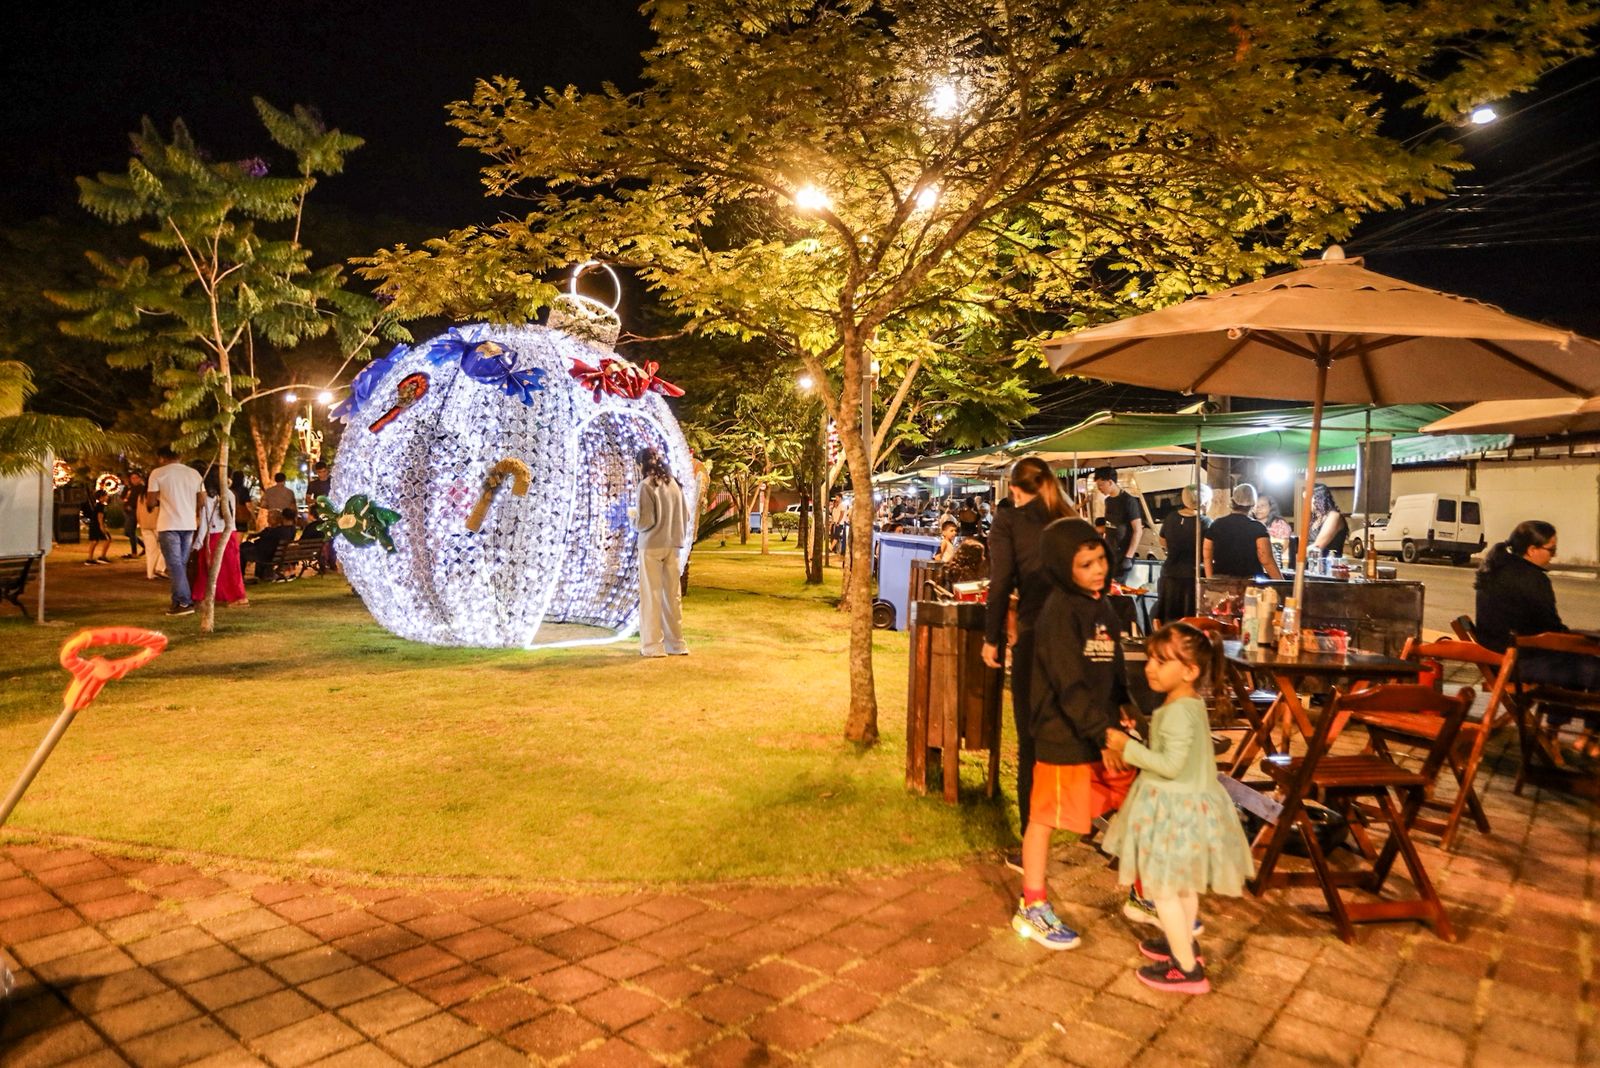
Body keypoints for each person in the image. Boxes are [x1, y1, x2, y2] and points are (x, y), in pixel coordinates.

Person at [1101, 622, 1255, 994]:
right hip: (1190, 805)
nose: (1150, 667)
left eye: (1162, 661)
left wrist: (1126, 747)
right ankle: (1183, 942)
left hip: (1175, 811)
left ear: (1190, 671)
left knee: (1164, 888)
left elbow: (1169, 764)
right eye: (1151, 659)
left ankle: (1186, 969)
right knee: (1183, 883)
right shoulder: (1185, 703)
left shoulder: (1178, 712)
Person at [1012, 517, 1137, 950]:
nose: (1098, 569)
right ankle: (1032, 906)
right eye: (1085, 564)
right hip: (1064, 732)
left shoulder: (1101, 605)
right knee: (1045, 819)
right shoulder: (1058, 613)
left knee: (1134, 803)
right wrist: (1102, 733)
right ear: (1064, 567)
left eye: (1100, 558)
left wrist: (1123, 709)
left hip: (1102, 729)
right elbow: (1068, 682)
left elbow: (1112, 663)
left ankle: (1144, 891)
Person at [983, 457, 1078, 858]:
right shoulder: (1071, 521)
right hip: (1073, 644)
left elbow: (1001, 581)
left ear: (1015, 490)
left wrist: (993, 639)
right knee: (1069, 738)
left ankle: (1031, 846)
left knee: (1030, 745)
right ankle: (1076, 820)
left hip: (1035, 640)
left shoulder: (1010, 522)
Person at [1475, 521, 1600, 761]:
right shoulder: (1533, 579)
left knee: (1578, 663)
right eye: (1551, 550)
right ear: (1532, 550)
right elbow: (1550, 629)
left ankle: (1562, 733)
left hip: (1497, 661)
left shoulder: (1495, 569)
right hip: (1517, 665)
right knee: (1591, 667)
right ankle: (1587, 734)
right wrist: (1580, 639)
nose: (1554, 556)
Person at [632, 447, 689, 658]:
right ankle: (677, 643)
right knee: (672, 596)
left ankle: (652, 645)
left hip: (651, 545)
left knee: (651, 595)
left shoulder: (645, 486)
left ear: (641, 465)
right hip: (673, 544)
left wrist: (633, 519)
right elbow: (686, 514)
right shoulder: (673, 484)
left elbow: (645, 521)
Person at [146, 447, 206, 615]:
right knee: (180, 565)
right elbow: (202, 500)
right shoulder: (194, 473)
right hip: (189, 524)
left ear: (162, 457)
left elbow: (150, 501)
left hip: (169, 524)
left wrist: (154, 504)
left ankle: (185, 602)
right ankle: (177, 601)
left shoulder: (158, 473)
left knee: (174, 565)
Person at [1204, 484, 1283, 580]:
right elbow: (1265, 559)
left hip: (1221, 582)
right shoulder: (1257, 528)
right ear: (1253, 504)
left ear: (1233, 501)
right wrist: (1281, 582)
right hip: (1249, 583)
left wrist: (1210, 579)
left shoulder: (1216, 524)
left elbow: (1207, 555)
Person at [194, 470, 248, 606]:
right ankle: (237, 597)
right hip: (229, 535)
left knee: (207, 569)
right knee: (231, 569)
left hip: (213, 536)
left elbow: (205, 523)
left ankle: (205, 597)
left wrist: (198, 543)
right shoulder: (229, 494)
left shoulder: (207, 497)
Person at [1155, 487, 1207, 624]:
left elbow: (1162, 541)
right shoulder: (1205, 522)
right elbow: (1209, 550)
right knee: (1189, 621)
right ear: (1204, 501)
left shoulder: (1171, 518)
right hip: (1192, 576)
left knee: (1169, 619)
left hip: (1170, 574)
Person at [1093, 467, 1144, 583]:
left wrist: (1128, 557)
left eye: (1101, 485)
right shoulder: (1108, 501)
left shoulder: (1129, 501)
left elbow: (1138, 530)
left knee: (1117, 590)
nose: (1099, 489)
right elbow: (1110, 526)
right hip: (1110, 554)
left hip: (1123, 555)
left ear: (1110, 482)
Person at [239, 508, 300, 581]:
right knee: (245, 546)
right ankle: (259, 574)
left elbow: (263, 540)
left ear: (282, 517)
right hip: (274, 554)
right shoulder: (292, 530)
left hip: (267, 555)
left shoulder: (277, 531)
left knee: (241, 551)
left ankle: (240, 575)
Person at [135, 476, 166, 581]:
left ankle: (150, 573)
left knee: (150, 550)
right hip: (158, 524)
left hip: (144, 525)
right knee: (165, 547)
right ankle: (159, 568)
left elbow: (138, 512)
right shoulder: (158, 494)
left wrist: (140, 522)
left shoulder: (141, 496)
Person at [1309, 483, 1347, 556]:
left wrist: (1297, 553)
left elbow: (1318, 546)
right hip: (1312, 564)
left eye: (1309, 498)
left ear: (1318, 498)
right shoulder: (1315, 519)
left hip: (1328, 564)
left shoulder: (1334, 516)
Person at [81, 490, 113, 564]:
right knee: (107, 539)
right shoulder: (101, 506)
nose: (107, 497)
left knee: (94, 541)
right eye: (106, 496)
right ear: (101, 497)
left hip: (94, 525)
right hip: (97, 525)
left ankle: (90, 558)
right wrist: (102, 526)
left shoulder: (97, 505)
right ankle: (102, 557)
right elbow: (100, 517)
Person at [120, 472, 146, 558]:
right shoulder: (129, 488)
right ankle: (144, 546)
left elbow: (140, 500)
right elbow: (122, 497)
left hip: (134, 511)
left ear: (139, 478)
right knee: (127, 532)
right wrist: (126, 488)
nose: (134, 480)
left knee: (131, 531)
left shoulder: (141, 488)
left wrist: (132, 506)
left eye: (136, 478)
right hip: (127, 511)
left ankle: (134, 552)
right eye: (132, 478)